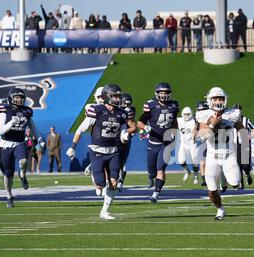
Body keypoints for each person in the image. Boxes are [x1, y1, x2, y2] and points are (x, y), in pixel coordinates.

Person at [66, 84, 136, 220]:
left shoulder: (121, 113)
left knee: (114, 182)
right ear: (106, 96)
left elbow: (128, 128)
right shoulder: (96, 110)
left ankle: (104, 211)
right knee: (100, 184)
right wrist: (72, 147)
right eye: (114, 96)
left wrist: (125, 133)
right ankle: (94, 172)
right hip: (97, 150)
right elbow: (81, 129)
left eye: (118, 96)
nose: (117, 99)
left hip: (113, 150)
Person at [196, 87, 246, 220]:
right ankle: (220, 209)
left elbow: (242, 130)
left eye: (221, 98)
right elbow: (202, 136)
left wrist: (245, 137)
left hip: (229, 154)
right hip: (212, 156)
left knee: (235, 183)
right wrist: (212, 125)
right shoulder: (204, 114)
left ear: (225, 99)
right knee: (211, 189)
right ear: (209, 100)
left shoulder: (233, 113)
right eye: (215, 98)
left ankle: (225, 175)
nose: (218, 101)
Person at [0, 88, 46, 208]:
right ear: (11, 98)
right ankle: (9, 196)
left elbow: (33, 127)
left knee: (23, 161)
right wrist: (11, 123)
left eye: (21, 97)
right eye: (17, 97)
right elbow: (0, 130)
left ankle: (23, 175)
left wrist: (39, 139)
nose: (19, 99)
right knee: (8, 174)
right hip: (6, 144)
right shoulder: (5, 111)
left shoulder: (26, 111)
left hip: (19, 142)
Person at [137, 83, 179, 203]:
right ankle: (151, 177)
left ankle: (156, 193)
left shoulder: (174, 105)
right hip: (153, 141)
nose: (164, 95)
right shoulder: (151, 105)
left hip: (166, 143)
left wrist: (174, 133)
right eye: (161, 92)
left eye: (166, 92)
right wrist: (145, 128)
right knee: (152, 170)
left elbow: (175, 121)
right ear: (157, 93)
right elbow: (140, 122)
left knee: (161, 169)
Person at [233, 104, 254, 189]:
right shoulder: (230, 120)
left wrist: (250, 137)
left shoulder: (246, 120)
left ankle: (247, 173)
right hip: (235, 145)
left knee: (245, 165)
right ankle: (241, 184)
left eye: (238, 110)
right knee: (237, 165)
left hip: (245, 144)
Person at [116, 93, 137, 191]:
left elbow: (133, 126)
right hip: (113, 137)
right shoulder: (115, 109)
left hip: (124, 138)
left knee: (122, 161)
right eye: (125, 104)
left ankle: (120, 181)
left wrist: (126, 132)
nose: (127, 106)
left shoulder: (129, 111)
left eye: (129, 104)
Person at [177, 106, 199, 184]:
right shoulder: (179, 120)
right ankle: (187, 171)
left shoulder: (194, 121)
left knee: (194, 160)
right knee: (181, 161)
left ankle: (196, 176)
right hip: (183, 144)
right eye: (185, 114)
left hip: (193, 143)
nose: (186, 116)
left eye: (188, 114)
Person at [195, 101, 209, 186]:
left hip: (212, 140)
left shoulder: (211, 116)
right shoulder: (196, 117)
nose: (201, 112)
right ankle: (204, 179)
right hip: (202, 140)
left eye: (203, 110)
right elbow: (196, 128)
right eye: (200, 110)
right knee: (202, 161)